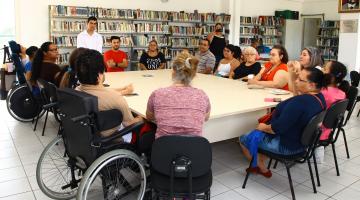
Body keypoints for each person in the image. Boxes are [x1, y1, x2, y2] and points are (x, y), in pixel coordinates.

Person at [239, 67, 326, 178]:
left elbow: (276, 129)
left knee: (244, 138)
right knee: (260, 135)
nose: (296, 81)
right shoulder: (319, 98)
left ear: (312, 85)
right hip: (304, 144)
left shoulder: (299, 103)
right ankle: (260, 160)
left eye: (300, 79)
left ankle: (262, 168)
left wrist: (263, 127)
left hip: (287, 147)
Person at [75, 49, 142, 141]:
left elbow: (101, 91)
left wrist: (122, 89)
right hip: (109, 140)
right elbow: (129, 123)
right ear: (99, 76)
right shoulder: (115, 98)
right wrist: (142, 118)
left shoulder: (76, 90)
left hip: (86, 137)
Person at [146, 52, 211, 138]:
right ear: (194, 75)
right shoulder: (202, 96)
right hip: (193, 149)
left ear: (173, 72)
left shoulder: (157, 94)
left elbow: (149, 117)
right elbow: (206, 117)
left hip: (164, 148)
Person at [320, 61, 349, 141]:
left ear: (332, 76)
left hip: (315, 132)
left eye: (324, 69)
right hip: (327, 131)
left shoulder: (323, 93)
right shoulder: (342, 93)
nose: (321, 70)